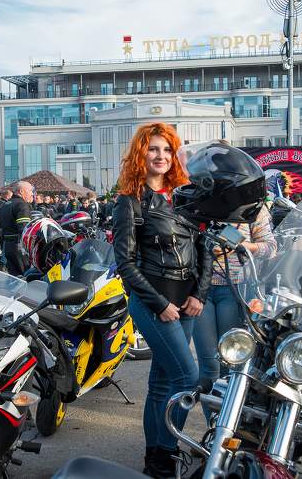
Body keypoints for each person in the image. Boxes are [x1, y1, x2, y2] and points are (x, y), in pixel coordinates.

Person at [112, 123, 213, 477]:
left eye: (167, 150)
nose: (161, 156)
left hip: (187, 304)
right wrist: (159, 304)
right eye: (153, 149)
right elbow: (125, 263)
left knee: (161, 384)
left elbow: (204, 248)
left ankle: (155, 458)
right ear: (141, 154)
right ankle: (168, 454)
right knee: (187, 377)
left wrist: (200, 294)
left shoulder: (186, 196)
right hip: (154, 304)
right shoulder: (130, 201)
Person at [193, 205, 276, 421]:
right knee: (208, 365)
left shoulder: (254, 208)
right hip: (198, 290)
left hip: (235, 289)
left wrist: (240, 246)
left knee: (230, 364)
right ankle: (213, 427)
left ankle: (227, 424)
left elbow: (270, 247)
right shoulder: (201, 200)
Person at [0, 181, 33, 276]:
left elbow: (0, 226)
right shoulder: (22, 204)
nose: (32, 193)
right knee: (26, 275)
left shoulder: (6, 204)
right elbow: (25, 229)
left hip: (7, 246)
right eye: (30, 190)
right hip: (19, 247)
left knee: (14, 277)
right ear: (21, 191)